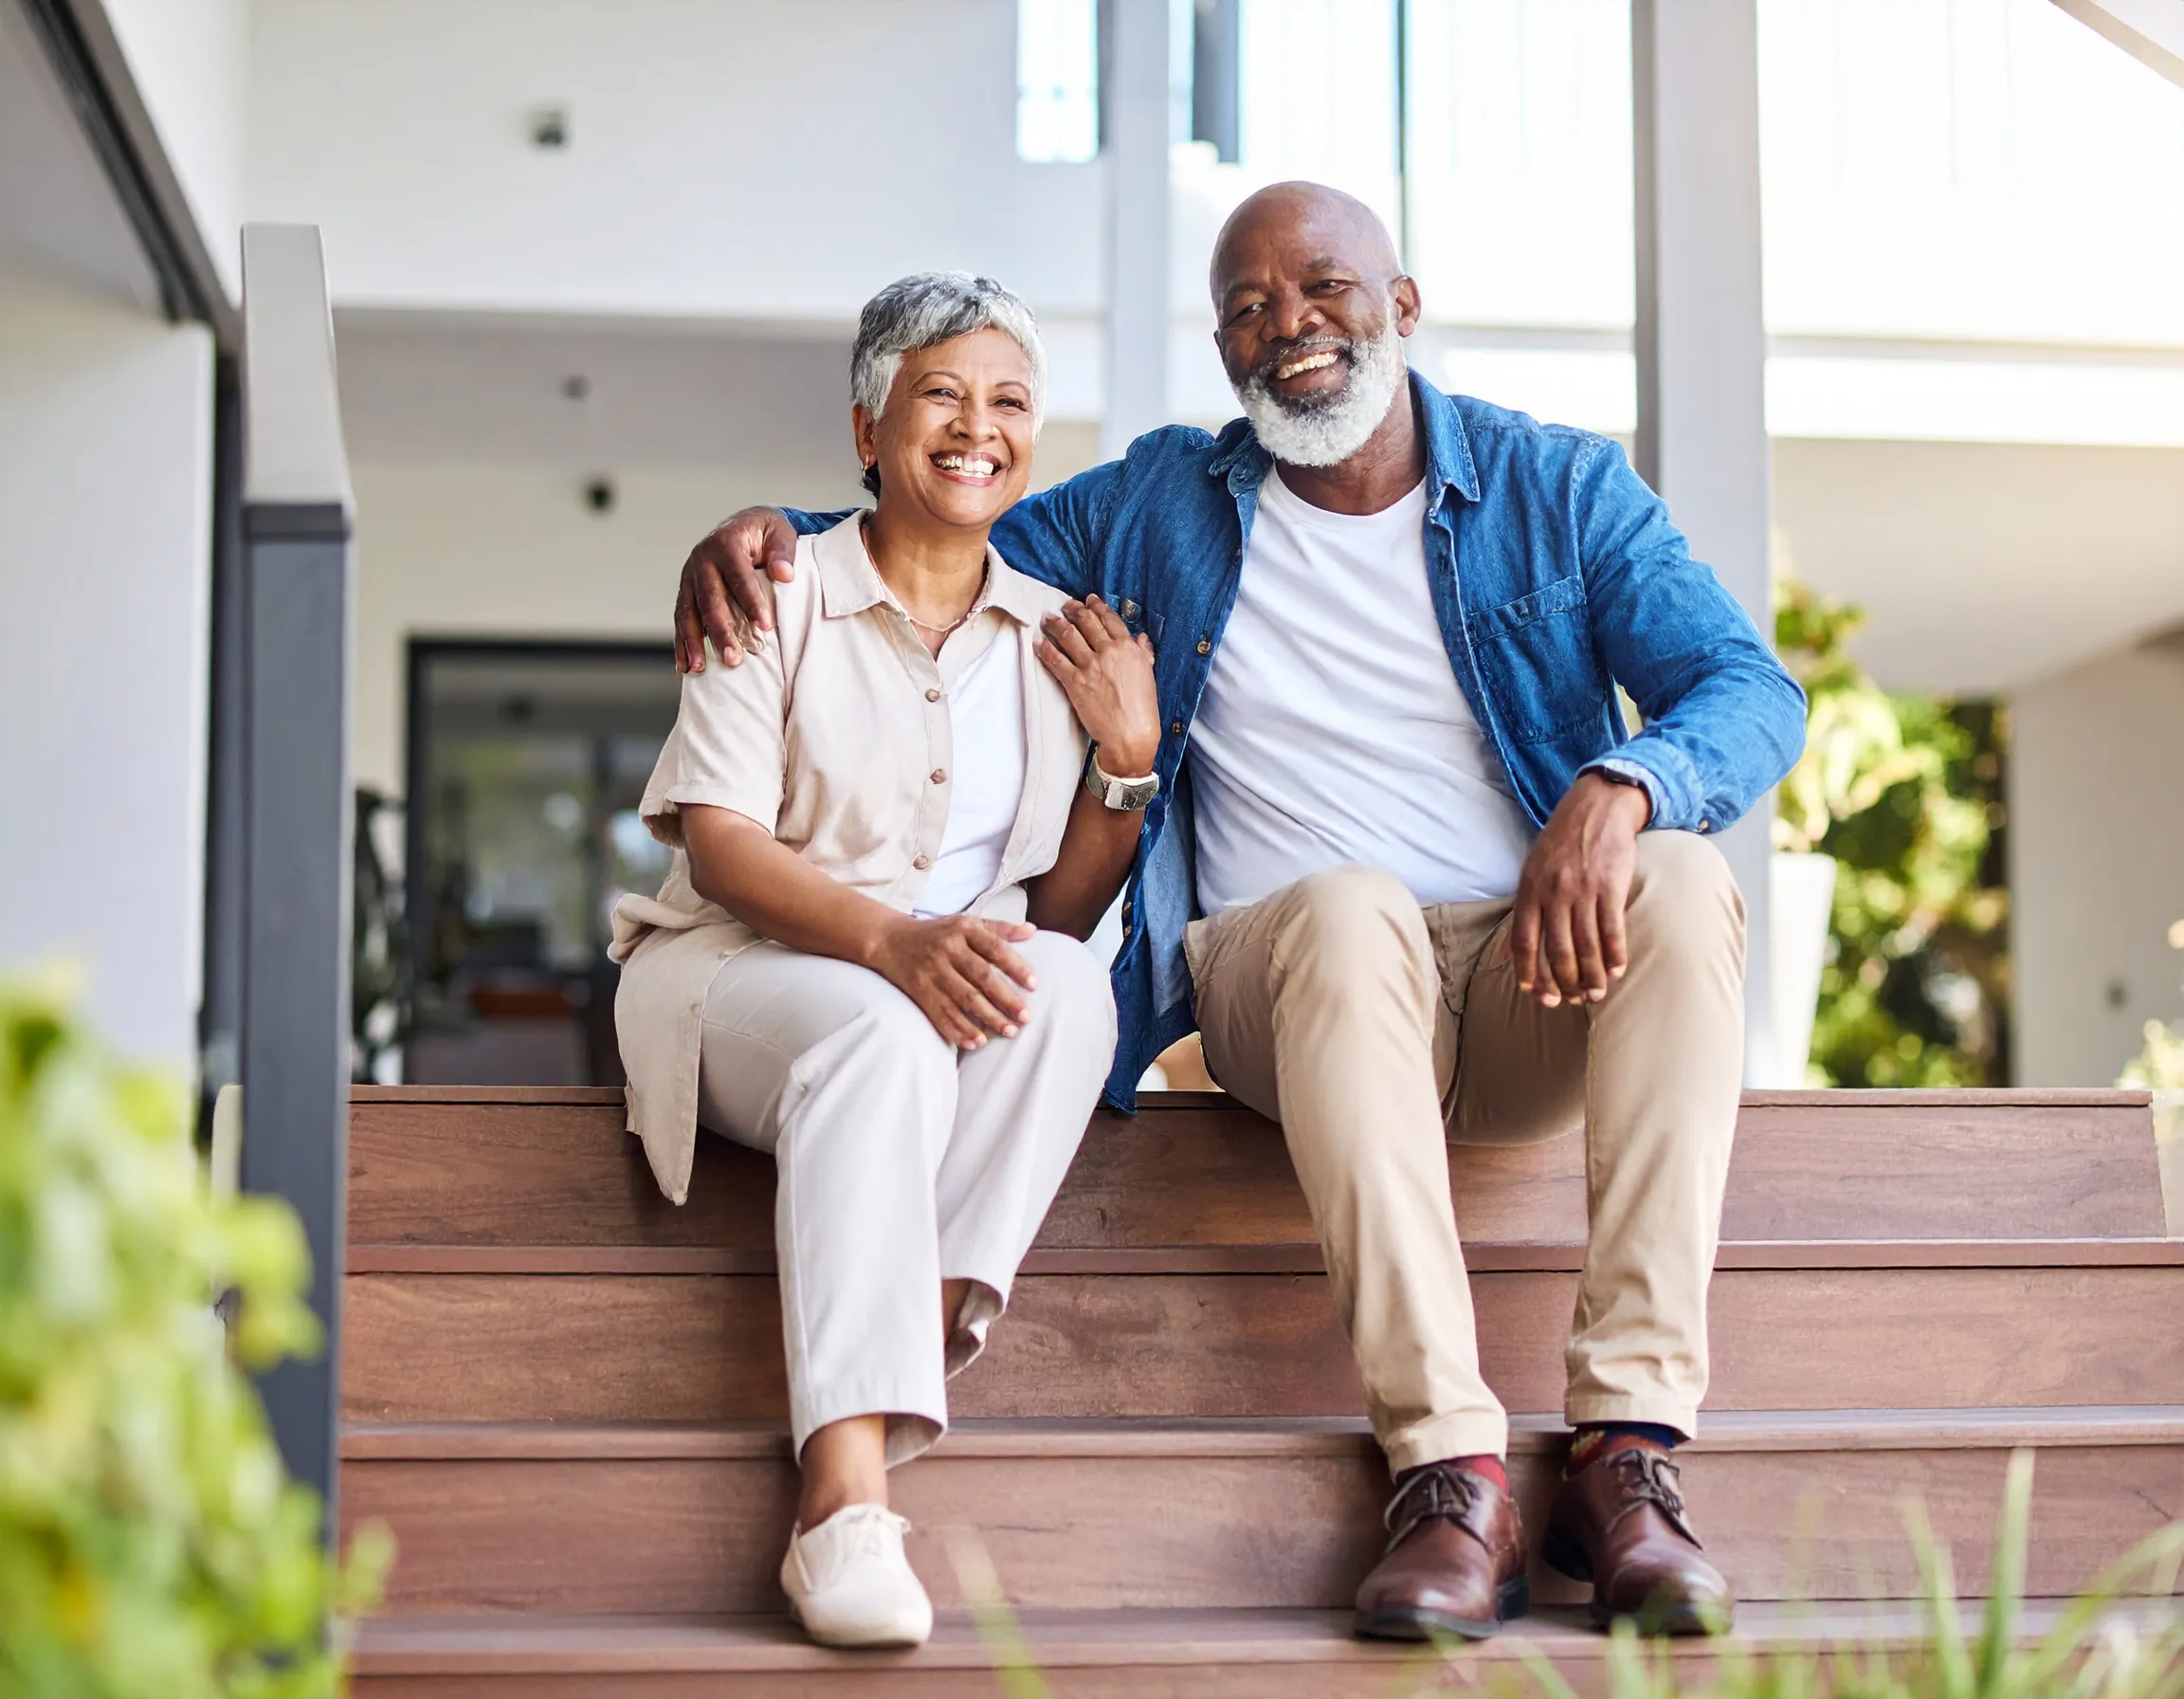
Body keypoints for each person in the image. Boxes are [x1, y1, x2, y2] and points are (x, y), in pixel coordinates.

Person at [674, 184, 1807, 1642]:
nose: (1293, 326)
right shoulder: (1163, 502)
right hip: (1298, 982)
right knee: (1346, 909)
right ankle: (1448, 1469)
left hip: (1528, 972)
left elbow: (1752, 694)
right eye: (1251, 310)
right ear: (1225, 354)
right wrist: (765, 533)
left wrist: (1624, 786)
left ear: (1402, 306)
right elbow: (942, 516)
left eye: (1325, 288)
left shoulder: (1559, 489)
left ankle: (1630, 1455)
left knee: (1685, 876)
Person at [610, 272, 1163, 1650]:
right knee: (878, 1030)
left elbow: (1060, 911)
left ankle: (897, 1328)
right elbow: (724, 847)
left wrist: (1130, 763)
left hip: (929, 997)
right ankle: (841, 1497)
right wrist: (895, 947)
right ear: (868, 431)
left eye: (1010, 402)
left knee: (1072, 987)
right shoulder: (773, 589)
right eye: (940, 396)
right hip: (735, 977)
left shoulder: (1053, 638)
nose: (978, 428)